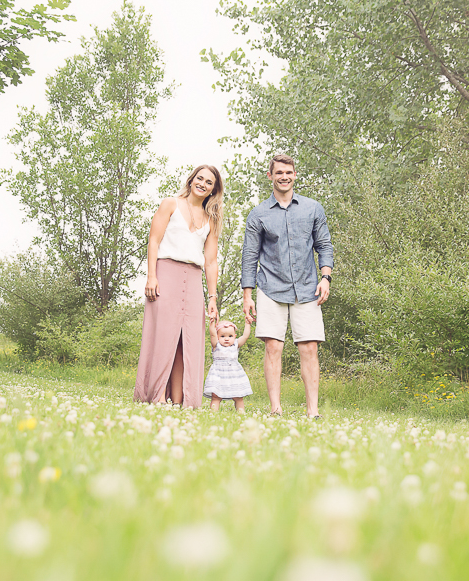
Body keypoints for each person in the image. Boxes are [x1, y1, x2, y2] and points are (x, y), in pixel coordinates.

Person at [241, 154, 333, 419]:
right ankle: (275, 409)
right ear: (270, 176)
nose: (284, 177)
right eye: (279, 172)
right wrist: (248, 295)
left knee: (310, 347)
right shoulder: (258, 214)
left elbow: (324, 245)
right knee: (273, 347)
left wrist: (325, 277)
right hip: (270, 287)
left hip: (307, 288)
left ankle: (313, 411)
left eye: (288, 172)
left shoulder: (313, 208)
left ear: (295, 175)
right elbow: (249, 256)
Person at [134, 165, 224, 408]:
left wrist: (212, 297)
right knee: (163, 336)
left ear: (213, 189)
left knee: (189, 341)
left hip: (194, 280)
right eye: (200, 178)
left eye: (209, 182)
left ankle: (181, 399)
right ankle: (157, 396)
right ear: (191, 179)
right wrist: (151, 276)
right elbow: (154, 240)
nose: (203, 184)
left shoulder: (211, 219)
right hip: (166, 273)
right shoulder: (170, 204)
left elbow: (211, 261)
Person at [203, 317, 253, 412]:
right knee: (216, 397)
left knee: (238, 396)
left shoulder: (236, 345)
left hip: (234, 375)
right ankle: (213, 414)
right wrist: (212, 324)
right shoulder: (216, 345)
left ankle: (241, 413)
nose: (226, 339)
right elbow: (212, 335)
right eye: (222, 336)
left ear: (235, 336)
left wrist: (247, 324)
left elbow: (245, 336)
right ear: (218, 337)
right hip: (218, 375)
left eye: (230, 336)